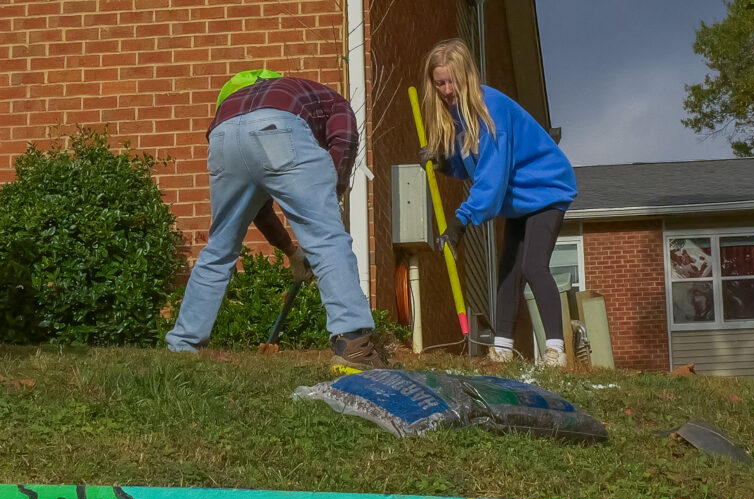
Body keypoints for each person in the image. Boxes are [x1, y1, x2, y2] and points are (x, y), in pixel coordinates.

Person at [167, 67, 384, 364]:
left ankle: (182, 346)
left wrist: (292, 253)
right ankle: (353, 344)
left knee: (219, 249)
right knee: (326, 239)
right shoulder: (331, 101)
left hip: (222, 135)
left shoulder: (232, 102)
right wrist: (333, 190)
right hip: (278, 128)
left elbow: (258, 208)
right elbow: (344, 140)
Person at [419, 39, 577, 367]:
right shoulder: (458, 114)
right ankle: (502, 348)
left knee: (533, 266)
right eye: (440, 83)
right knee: (508, 270)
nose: (447, 90)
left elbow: (491, 179)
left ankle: (556, 351)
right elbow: (470, 164)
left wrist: (460, 223)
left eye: (452, 81)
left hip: (546, 188)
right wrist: (444, 162)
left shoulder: (490, 109)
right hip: (518, 196)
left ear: (466, 77)